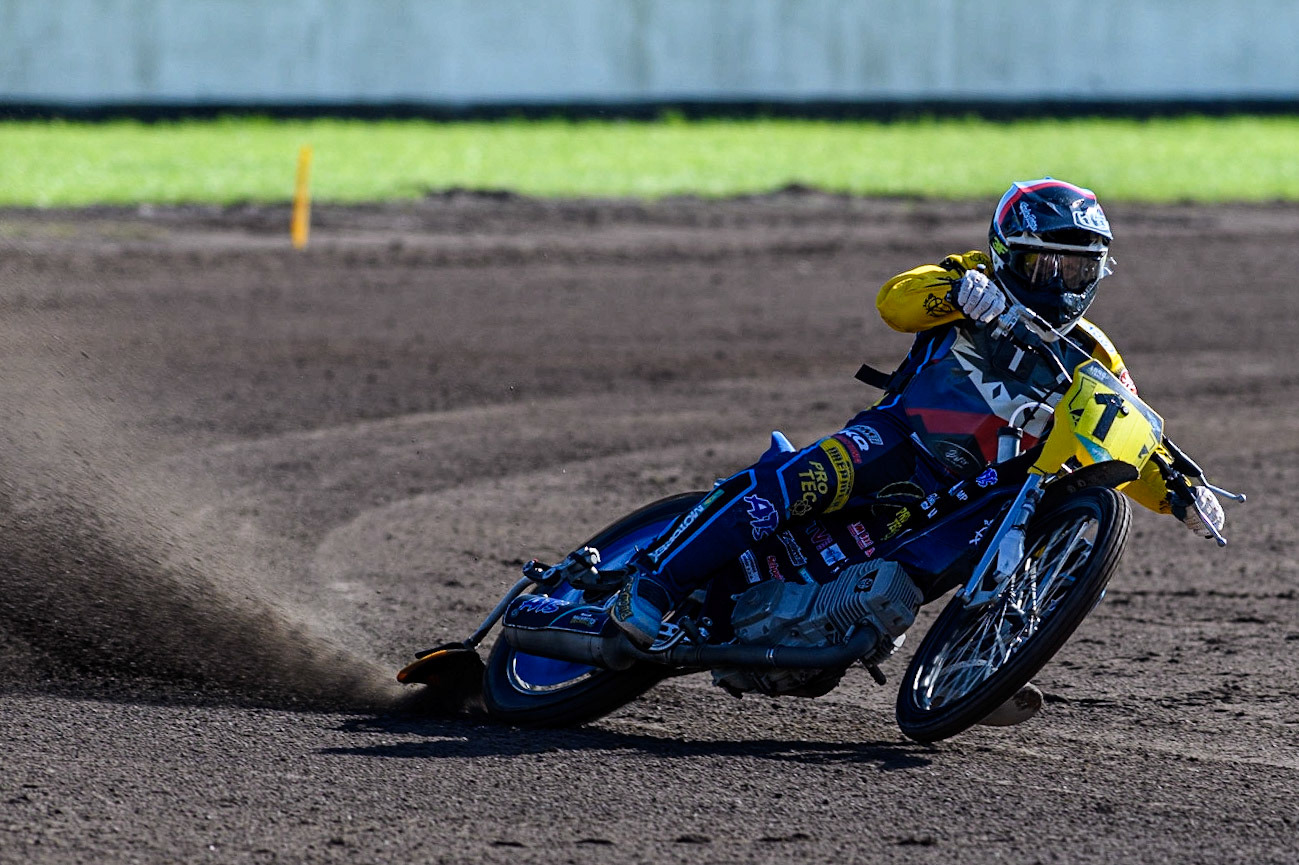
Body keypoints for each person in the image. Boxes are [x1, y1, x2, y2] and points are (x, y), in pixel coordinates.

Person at [611, 178, 1226, 649]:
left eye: (1081, 267)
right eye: (1048, 264)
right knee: (798, 482)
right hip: (900, 439)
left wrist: (1179, 491)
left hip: (977, 491)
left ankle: (988, 667)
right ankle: (653, 583)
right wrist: (958, 290)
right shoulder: (973, 280)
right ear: (1009, 254)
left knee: (1009, 546)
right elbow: (894, 302)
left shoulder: (1096, 353)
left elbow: (1117, 434)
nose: (1063, 283)